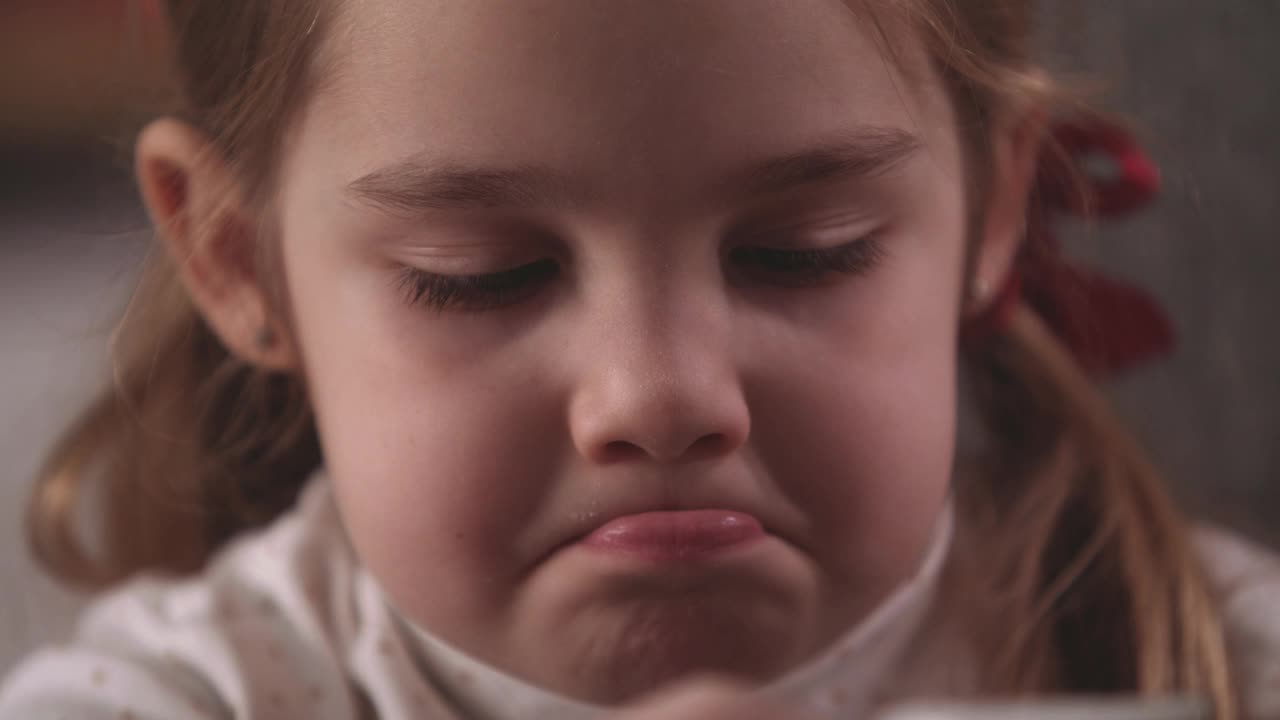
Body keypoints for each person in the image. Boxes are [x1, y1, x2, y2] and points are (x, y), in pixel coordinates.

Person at [2, 1, 1277, 718]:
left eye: (802, 250)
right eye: (480, 274)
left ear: (994, 214)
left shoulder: (1219, 659)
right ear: (236, 262)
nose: (659, 395)